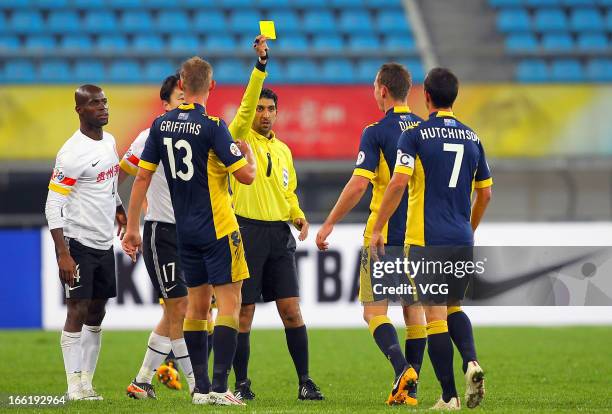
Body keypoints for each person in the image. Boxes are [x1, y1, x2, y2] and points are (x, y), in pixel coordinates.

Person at [121, 35, 270, 400]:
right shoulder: (214, 126)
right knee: (230, 304)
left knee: (197, 308)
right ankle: (220, 387)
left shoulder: (160, 127)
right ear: (212, 86)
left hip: (183, 232)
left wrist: (132, 226)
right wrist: (248, 157)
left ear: (183, 86)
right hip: (218, 227)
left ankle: (200, 390)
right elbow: (246, 176)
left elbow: (140, 176)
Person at [370, 67, 492, 410]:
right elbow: (486, 193)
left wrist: (378, 226)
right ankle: (471, 361)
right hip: (460, 235)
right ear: (455, 96)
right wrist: (470, 227)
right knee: (455, 307)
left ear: (425, 96)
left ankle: (450, 396)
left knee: (434, 316)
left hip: (427, 237)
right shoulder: (473, 137)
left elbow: (396, 184)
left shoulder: (417, 135)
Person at [315, 63, 424, 406]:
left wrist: (330, 221)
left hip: (384, 235)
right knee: (413, 309)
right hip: (420, 235)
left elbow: (360, 183)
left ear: (382, 90)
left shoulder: (376, 130)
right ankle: (410, 388)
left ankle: (401, 368)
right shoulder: (426, 129)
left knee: (374, 312)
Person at [229, 88, 324, 401]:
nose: (265, 114)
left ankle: (305, 382)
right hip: (246, 231)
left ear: (277, 112)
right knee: (244, 312)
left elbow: (288, 191)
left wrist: (298, 216)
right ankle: (241, 384)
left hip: (279, 235)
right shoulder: (239, 139)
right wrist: (261, 65)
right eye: (259, 109)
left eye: (270, 109)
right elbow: (243, 114)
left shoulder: (283, 149)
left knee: (292, 311)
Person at [45, 85, 127, 401]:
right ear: (80, 110)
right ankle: (73, 386)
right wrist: (63, 253)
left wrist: (118, 207)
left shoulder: (109, 142)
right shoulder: (71, 154)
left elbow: (107, 184)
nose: (103, 107)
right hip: (78, 242)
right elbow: (53, 205)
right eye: (95, 103)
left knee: (97, 312)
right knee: (77, 310)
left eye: (105, 101)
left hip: (104, 241)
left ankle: (88, 384)